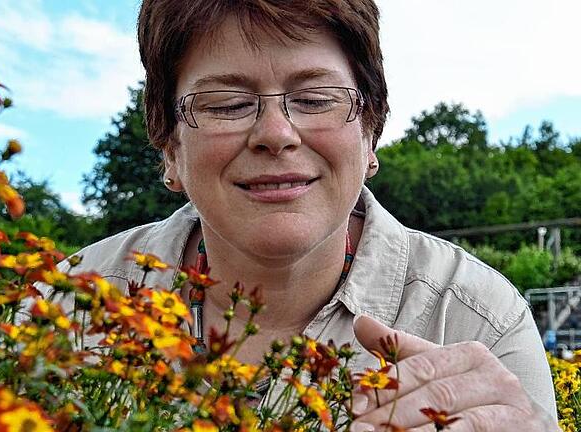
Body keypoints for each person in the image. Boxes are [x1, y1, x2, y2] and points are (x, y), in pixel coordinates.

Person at [47, 0, 559, 429]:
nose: (276, 133)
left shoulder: (475, 317)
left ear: (371, 132)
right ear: (168, 149)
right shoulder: (65, 307)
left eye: (315, 98)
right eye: (226, 104)